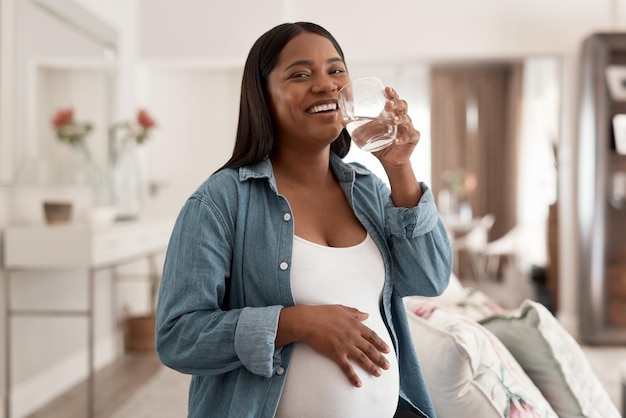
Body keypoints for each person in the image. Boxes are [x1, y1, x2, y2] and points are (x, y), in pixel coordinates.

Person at [155, 21, 452, 418]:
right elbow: (177, 338)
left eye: (335, 70)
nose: (326, 85)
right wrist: (295, 323)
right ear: (263, 96)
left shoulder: (368, 190)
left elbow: (429, 279)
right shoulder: (218, 203)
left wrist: (399, 168)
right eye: (300, 74)